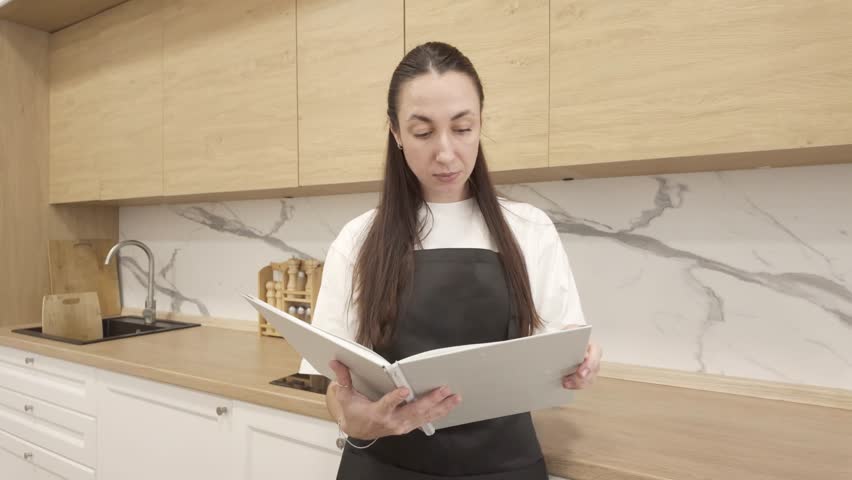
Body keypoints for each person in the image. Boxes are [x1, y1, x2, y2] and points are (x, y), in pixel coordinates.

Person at [298, 41, 603, 479]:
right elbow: (331, 378)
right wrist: (349, 417)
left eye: (462, 128)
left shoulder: (529, 228)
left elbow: (563, 342)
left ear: (481, 124)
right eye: (423, 132)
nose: (445, 152)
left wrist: (582, 361)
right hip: (384, 465)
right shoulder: (359, 238)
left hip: (504, 466)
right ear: (396, 133)